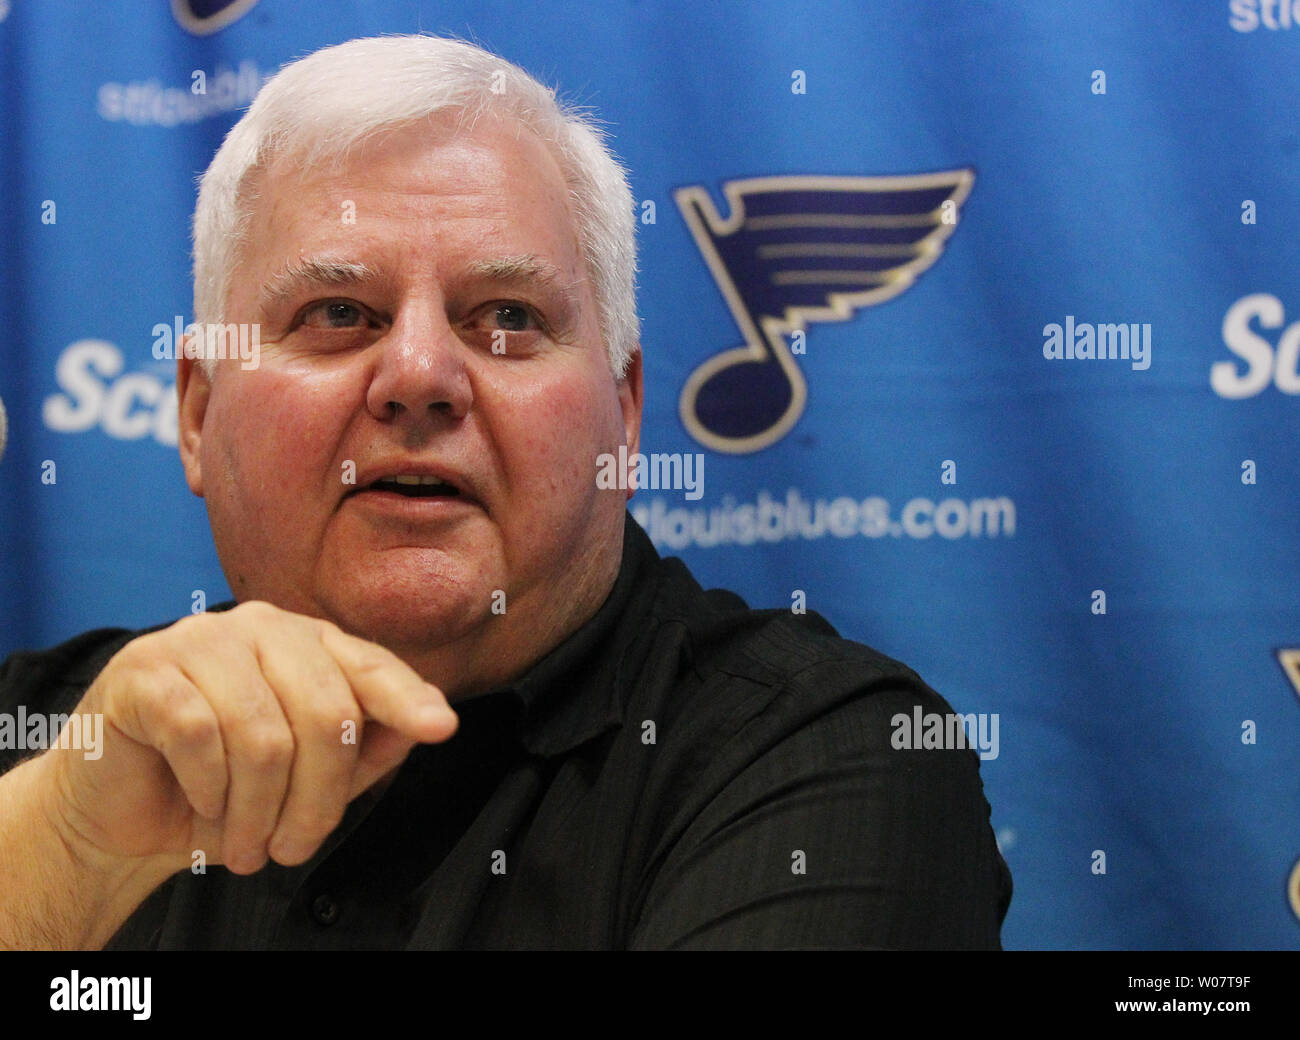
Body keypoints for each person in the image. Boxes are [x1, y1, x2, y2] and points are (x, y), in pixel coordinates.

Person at [0, 34, 1010, 950]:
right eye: (340, 309)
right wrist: (60, 856)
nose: (420, 376)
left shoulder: (824, 759)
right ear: (196, 413)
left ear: (622, 415)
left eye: (509, 318)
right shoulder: (40, 738)